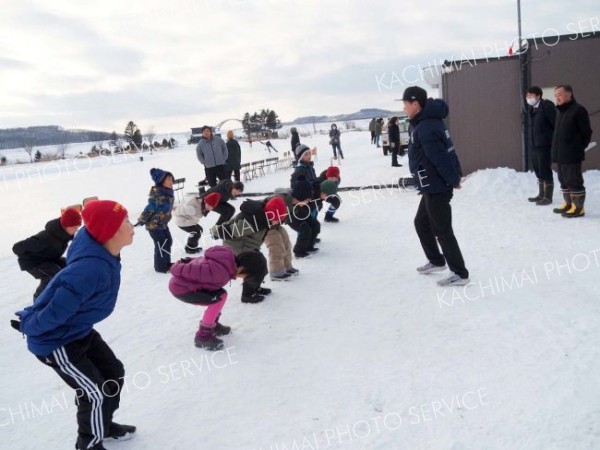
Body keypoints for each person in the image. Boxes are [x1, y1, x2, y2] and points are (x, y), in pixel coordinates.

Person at [13, 200, 136, 450]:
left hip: (77, 330)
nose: (132, 225)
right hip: (55, 340)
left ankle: (103, 423)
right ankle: (88, 444)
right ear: (109, 232)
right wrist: (29, 326)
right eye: (125, 221)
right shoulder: (88, 270)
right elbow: (54, 312)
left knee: (113, 372)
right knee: (94, 392)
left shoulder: (103, 252)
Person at [402, 86, 469, 287]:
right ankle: (436, 260)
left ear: (416, 104)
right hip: (430, 184)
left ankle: (460, 273)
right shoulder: (424, 123)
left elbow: (440, 157)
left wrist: (453, 179)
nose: (404, 108)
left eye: (406, 104)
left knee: (442, 230)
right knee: (421, 222)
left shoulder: (426, 127)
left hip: (437, 186)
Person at [168, 246, 252, 350]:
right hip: (181, 288)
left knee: (220, 295)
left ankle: (213, 325)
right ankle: (203, 336)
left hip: (185, 284)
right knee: (219, 298)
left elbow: (201, 265)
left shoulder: (224, 262)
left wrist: (189, 261)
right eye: (245, 277)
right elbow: (194, 269)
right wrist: (176, 266)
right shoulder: (222, 273)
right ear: (242, 269)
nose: (242, 279)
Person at [211, 198, 286, 303]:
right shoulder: (252, 222)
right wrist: (215, 231)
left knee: (262, 265)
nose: (277, 222)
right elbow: (229, 230)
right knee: (256, 266)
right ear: (271, 214)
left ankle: (255, 288)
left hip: (247, 246)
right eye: (277, 219)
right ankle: (248, 295)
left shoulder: (263, 216)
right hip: (236, 248)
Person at [13, 208, 82, 300]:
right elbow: (17, 247)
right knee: (53, 274)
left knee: (67, 265)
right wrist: (24, 253)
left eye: (77, 227)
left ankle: (64, 293)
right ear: (65, 226)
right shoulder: (46, 238)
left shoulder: (63, 235)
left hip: (47, 259)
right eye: (74, 227)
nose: (76, 229)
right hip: (33, 262)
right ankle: (38, 300)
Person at [551, 84, 593, 218]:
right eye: (556, 95)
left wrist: (577, 148)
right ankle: (568, 204)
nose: (557, 97)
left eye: (560, 94)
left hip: (571, 154)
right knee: (563, 180)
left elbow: (586, 133)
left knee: (573, 180)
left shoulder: (578, 110)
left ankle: (578, 208)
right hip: (561, 154)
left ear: (570, 94)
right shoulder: (560, 112)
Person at [137, 168, 175, 273]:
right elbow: (150, 208)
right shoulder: (158, 194)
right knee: (161, 243)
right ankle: (160, 267)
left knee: (168, 241)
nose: (171, 182)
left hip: (162, 223)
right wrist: (142, 220)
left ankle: (166, 263)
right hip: (153, 224)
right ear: (161, 181)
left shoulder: (168, 192)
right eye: (168, 180)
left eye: (172, 179)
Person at [525, 86, 556, 205]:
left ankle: (548, 197)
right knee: (538, 169)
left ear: (538, 96)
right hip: (535, 144)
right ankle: (541, 194)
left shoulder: (547, 106)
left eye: (531, 96)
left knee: (545, 168)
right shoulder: (533, 109)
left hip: (545, 144)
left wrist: (554, 141)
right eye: (527, 96)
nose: (528, 98)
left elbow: (555, 123)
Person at [261, 196, 297, 281]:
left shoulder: (279, 205)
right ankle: (276, 271)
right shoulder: (260, 213)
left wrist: (278, 220)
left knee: (286, 242)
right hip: (264, 227)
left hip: (274, 225)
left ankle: (287, 266)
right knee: (276, 246)